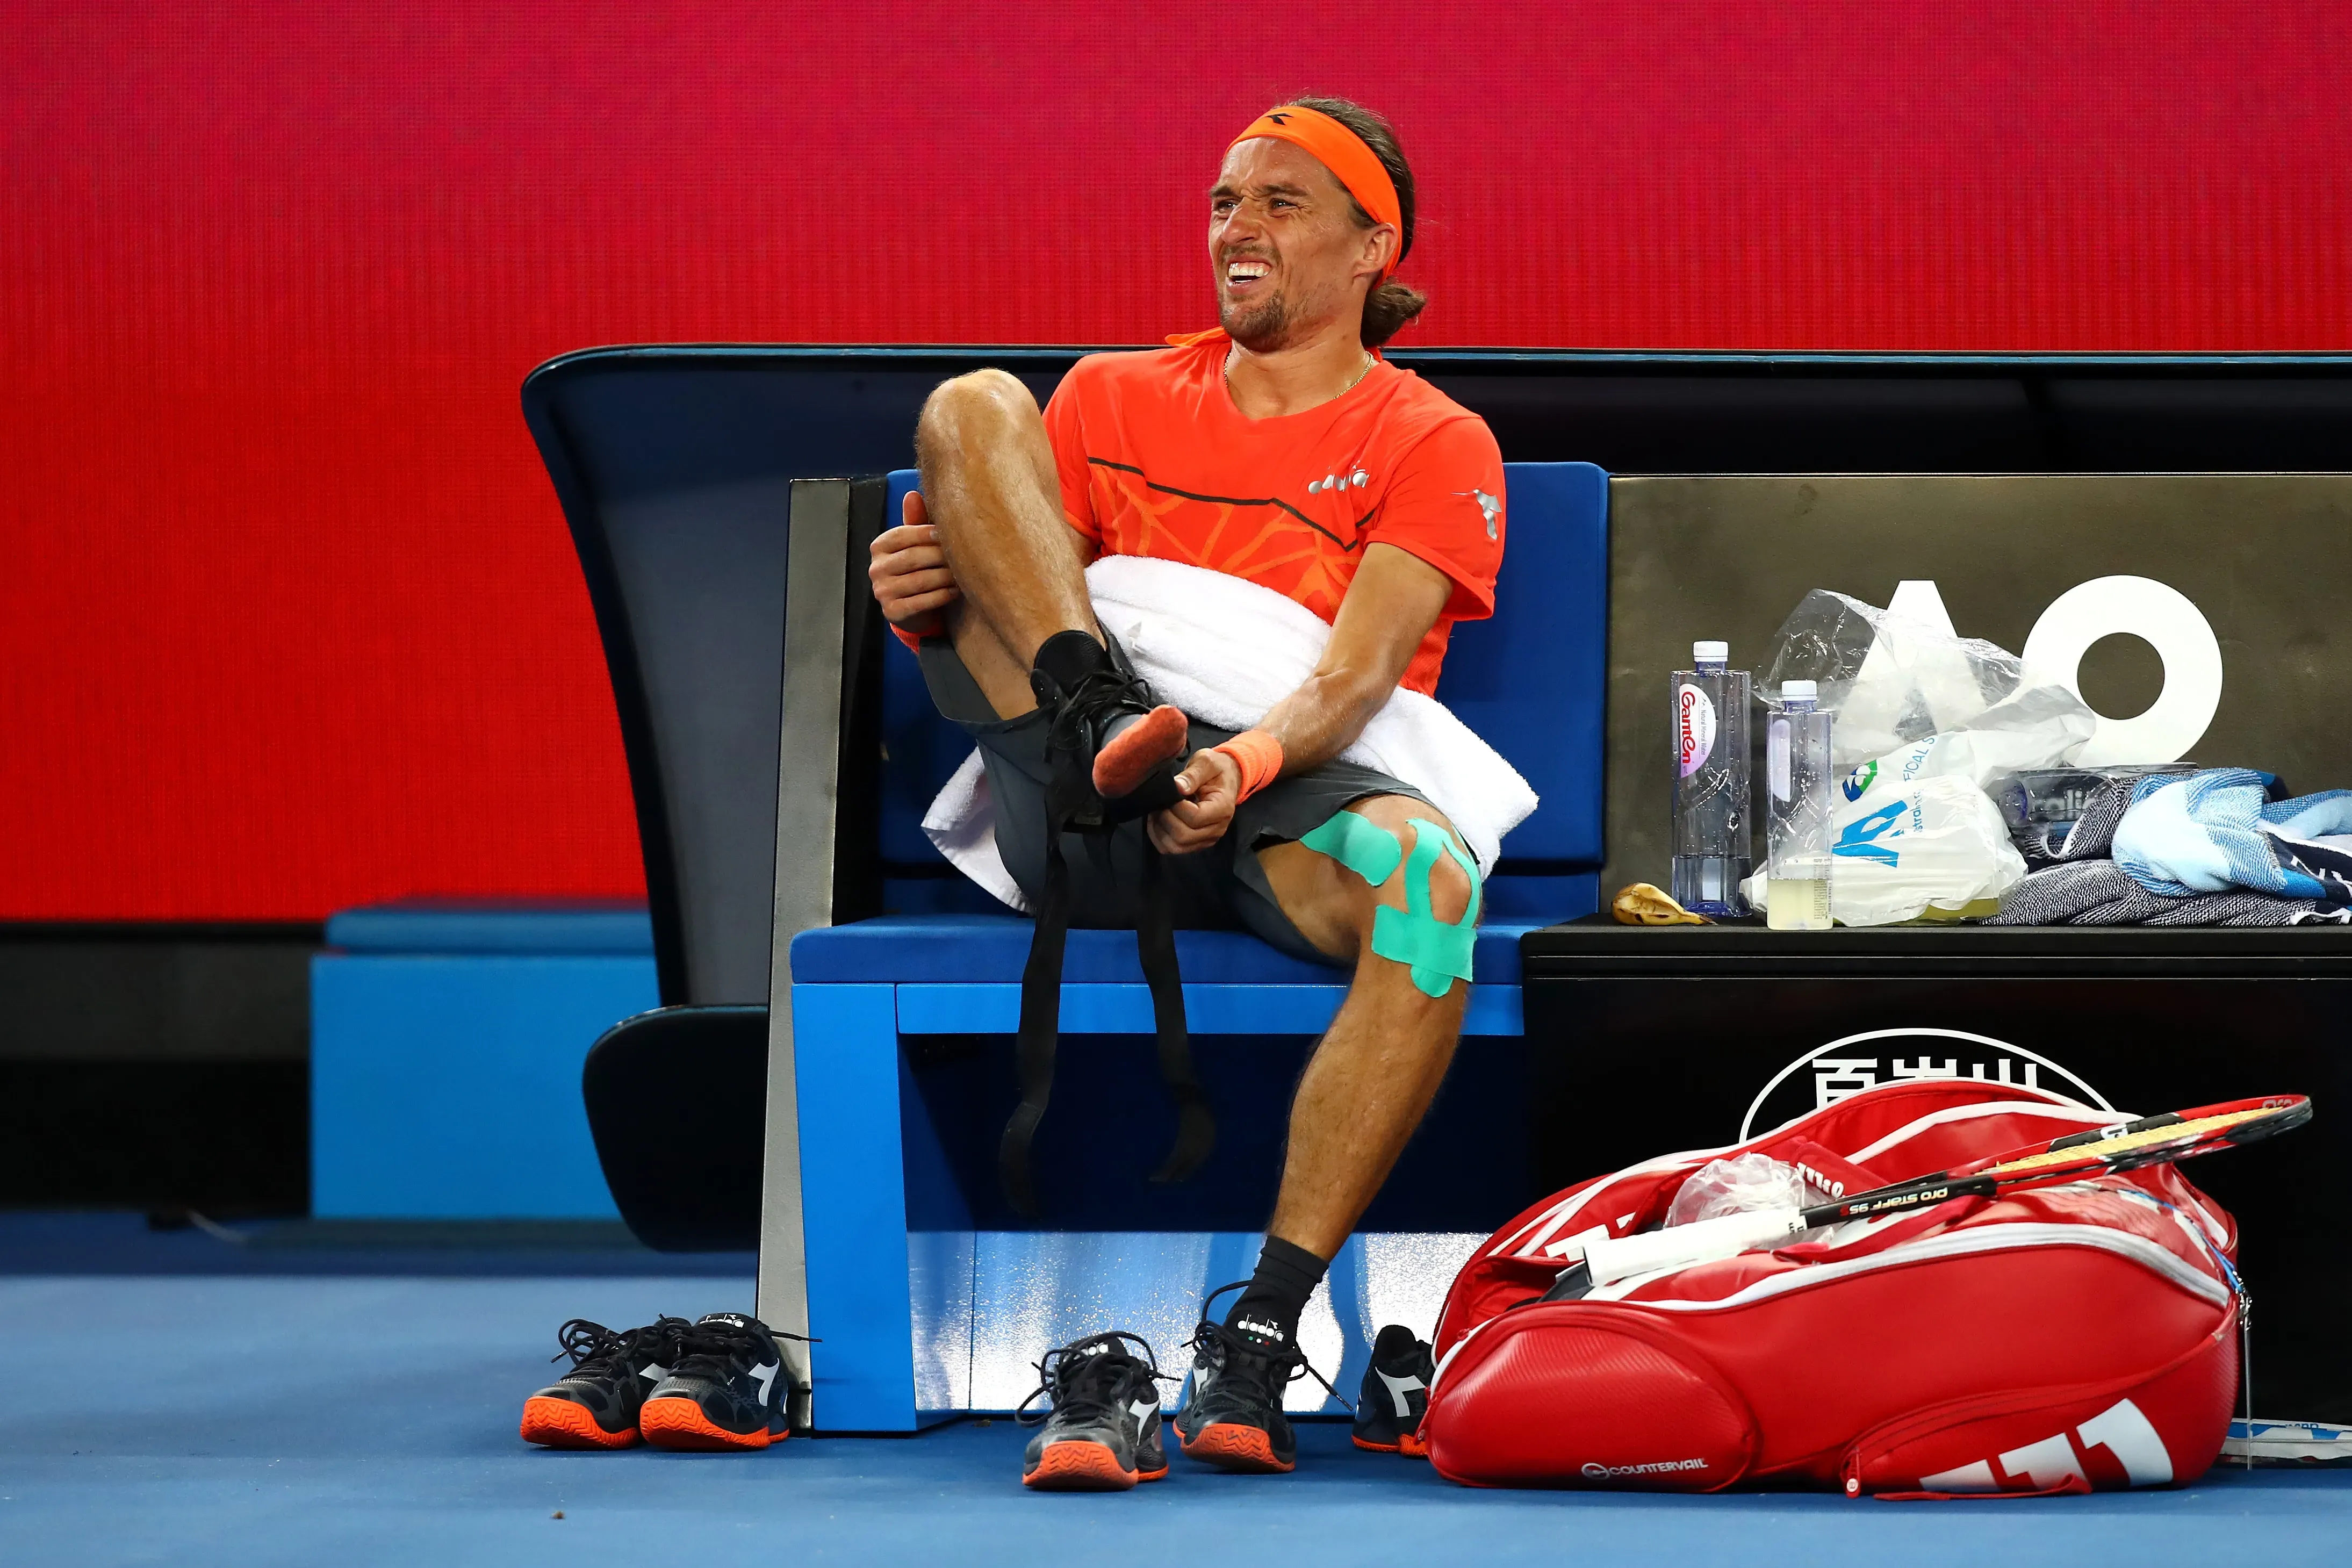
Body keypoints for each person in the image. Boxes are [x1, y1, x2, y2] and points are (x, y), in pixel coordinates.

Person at [867, 96, 1506, 1484]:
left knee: (1436, 891)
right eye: (1225, 200)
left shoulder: (1435, 437)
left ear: (1368, 247)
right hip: (1083, 769)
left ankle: (1260, 1337)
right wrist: (928, 610)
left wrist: (1240, 763)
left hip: (1278, 785)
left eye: (1280, 202)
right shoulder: (1105, 396)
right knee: (969, 409)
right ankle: (1114, 712)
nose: (1238, 227)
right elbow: (999, 640)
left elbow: (1357, 678)